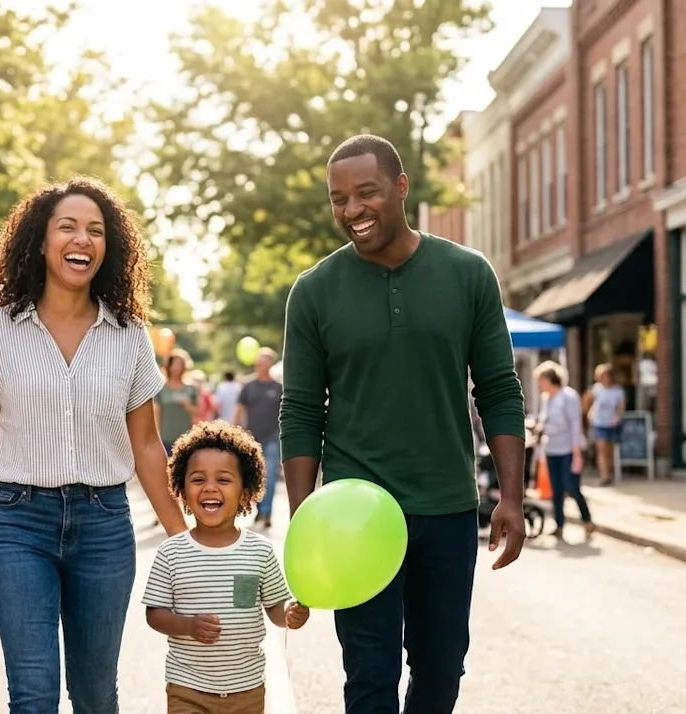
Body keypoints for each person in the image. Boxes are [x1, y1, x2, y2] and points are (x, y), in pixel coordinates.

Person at [279, 134, 527, 714]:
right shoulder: (314, 292)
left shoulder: (468, 275)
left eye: (366, 193)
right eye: (339, 199)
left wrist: (510, 498)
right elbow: (301, 409)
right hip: (351, 513)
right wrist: (303, 521)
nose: (352, 211)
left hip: (444, 505)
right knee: (369, 675)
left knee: (442, 668)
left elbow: (498, 389)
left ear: (401, 187)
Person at [0, 176, 188, 713]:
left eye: (95, 231)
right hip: (18, 522)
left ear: (108, 248)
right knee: (35, 691)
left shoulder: (129, 334)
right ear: (40, 242)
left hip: (104, 525)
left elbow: (146, 446)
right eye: (67, 227)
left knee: (95, 695)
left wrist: (182, 543)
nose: (82, 240)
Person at [143, 420, 309, 714]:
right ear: (181, 489)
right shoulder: (172, 552)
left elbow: (275, 607)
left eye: (223, 479)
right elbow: (155, 614)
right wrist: (188, 626)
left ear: (246, 493)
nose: (210, 487)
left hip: (246, 689)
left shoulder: (259, 551)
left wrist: (289, 615)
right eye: (198, 479)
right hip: (187, 687)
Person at [533, 361, 594, 541]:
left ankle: (587, 520)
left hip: (568, 448)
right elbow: (545, 422)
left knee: (572, 487)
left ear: (550, 379)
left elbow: (575, 425)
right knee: (556, 489)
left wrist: (576, 454)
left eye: (541, 380)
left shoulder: (568, 397)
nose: (539, 385)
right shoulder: (546, 399)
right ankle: (559, 525)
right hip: (552, 448)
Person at [233, 347, 283, 529]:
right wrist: (236, 433)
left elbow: (285, 413)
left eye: (265, 361)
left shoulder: (278, 388)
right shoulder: (248, 386)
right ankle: (260, 509)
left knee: (270, 476)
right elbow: (239, 410)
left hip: (272, 438)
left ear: (270, 363)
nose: (261, 364)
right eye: (259, 361)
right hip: (252, 438)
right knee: (254, 477)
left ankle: (266, 512)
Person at [588, 363, 626, 486]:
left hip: (612, 422)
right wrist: (590, 413)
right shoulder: (596, 389)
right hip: (599, 422)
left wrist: (618, 418)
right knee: (602, 448)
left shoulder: (618, 390)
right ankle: (604, 475)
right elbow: (588, 402)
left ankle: (610, 472)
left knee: (610, 450)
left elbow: (621, 406)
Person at [155, 350, 199, 456]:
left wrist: (188, 406)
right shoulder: (161, 389)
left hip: (186, 438)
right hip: (166, 438)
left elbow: (198, 412)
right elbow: (156, 413)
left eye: (181, 364)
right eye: (175, 364)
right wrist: (156, 437)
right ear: (168, 366)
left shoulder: (191, 389)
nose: (178, 368)